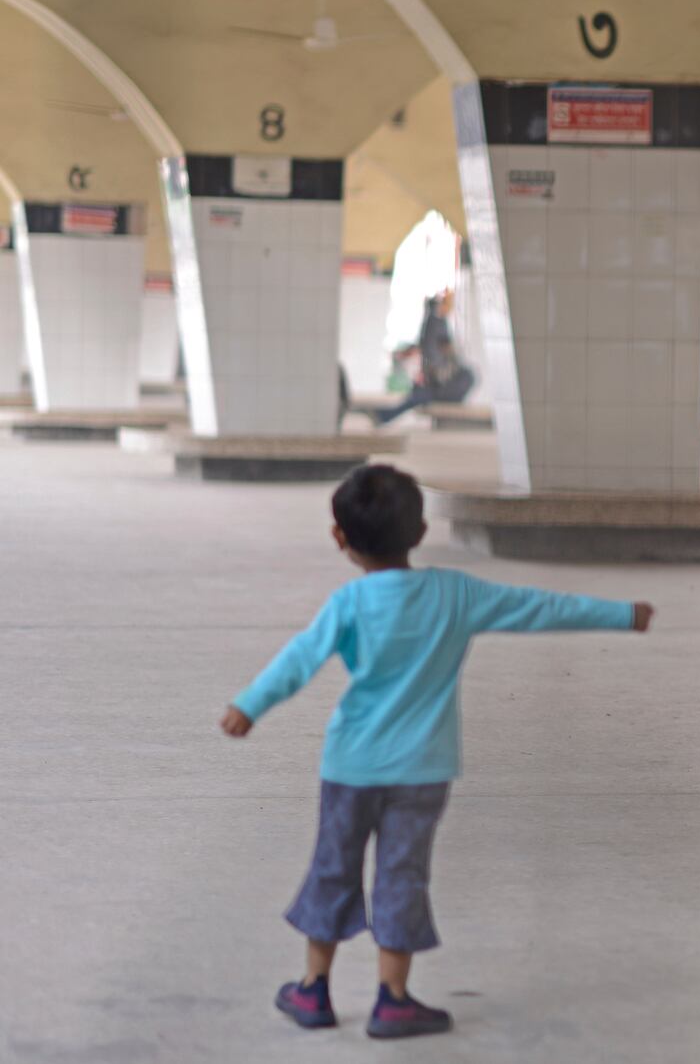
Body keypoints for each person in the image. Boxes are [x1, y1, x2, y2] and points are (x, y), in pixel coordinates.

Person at [218, 465, 653, 1039]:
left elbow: (299, 659)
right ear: (421, 533)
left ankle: (313, 991)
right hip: (423, 771)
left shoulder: (348, 603)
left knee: (333, 868)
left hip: (351, 767)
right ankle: (393, 1000)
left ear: (339, 538)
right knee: (402, 876)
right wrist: (622, 614)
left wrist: (249, 704)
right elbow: (540, 607)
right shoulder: (457, 594)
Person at [372, 294, 476, 426]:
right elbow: (431, 350)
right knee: (418, 397)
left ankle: (382, 416)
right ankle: (382, 416)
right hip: (437, 382)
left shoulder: (433, 323)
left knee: (417, 397)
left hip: (438, 383)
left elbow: (428, 348)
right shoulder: (435, 323)